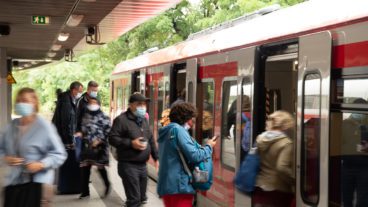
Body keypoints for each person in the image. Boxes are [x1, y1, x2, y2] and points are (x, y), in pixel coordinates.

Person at [0, 87, 67, 207]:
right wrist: (5, 158)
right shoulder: (11, 127)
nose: (21, 103)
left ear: (34, 103)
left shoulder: (44, 127)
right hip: (14, 184)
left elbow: (59, 153)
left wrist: (41, 164)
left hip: (38, 186)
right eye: (19, 100)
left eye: (25, 100)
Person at [157, 102, 217, 207]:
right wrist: (209, 146)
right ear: (186, 118)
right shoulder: (178, 130)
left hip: (167, 185)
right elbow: (195, 156)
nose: (192, 123)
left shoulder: (167, 131)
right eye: (192, 119)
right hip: (179, 186)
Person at [109, 93, 158, 207]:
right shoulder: (121, 120)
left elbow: (150, 139)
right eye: (139, 104)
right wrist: (131, 143)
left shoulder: (143, 120)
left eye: (144, 104)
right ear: (131, 105)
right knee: (134, 200)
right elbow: (112, 138)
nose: (142, 107)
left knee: (142, 198)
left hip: (142, 166)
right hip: (128, 165)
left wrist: (156, 157)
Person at [253, 110, 295, 207]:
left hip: (260, 186)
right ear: (285, 126)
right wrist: (294, 180)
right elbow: (281, 168)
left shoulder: (260, 138)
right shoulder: (286, 143)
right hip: (277, 189)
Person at [52, 81, 84, 194]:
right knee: (68, 162)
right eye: (80, 91)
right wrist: (70, 140)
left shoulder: (68, 99)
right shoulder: (66, 102)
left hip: (63, 137)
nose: (80, 94)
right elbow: (66, 123)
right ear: (74, 90)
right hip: (64, 138)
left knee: (66, 163)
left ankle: (66, 186)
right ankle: (67, 187)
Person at [79, 97, 111, 199]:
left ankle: (107, 185)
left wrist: (100, 140)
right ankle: (85, 192)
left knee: (100, 167)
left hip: (100, 148)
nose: (92, 104)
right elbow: (83, 130)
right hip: (87, 147)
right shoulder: (85, 116)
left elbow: (109, 132)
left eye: (94, 102)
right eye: (90, 102)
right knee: (85, 169)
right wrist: (80, 134)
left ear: (99, 104)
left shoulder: (105, 117)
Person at [341, 98, 368, 207]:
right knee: (346, 199)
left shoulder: (367, 124)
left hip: (365, 167)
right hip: (347, 166)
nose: (360, 114)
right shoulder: (344, 124)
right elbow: (337, 143)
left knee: (363, 200)